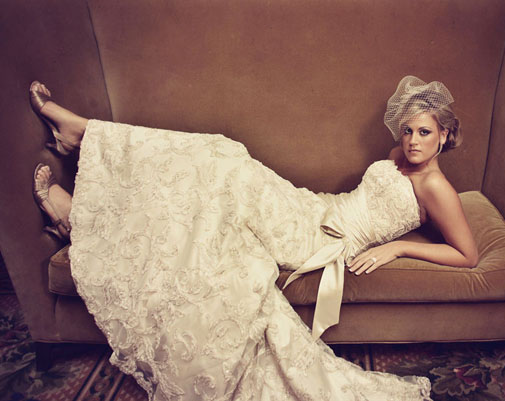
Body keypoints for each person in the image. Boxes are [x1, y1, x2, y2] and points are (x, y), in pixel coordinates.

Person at [30, 75, 476, 400]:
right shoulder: (399, 157)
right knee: (214, 169)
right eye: (408, 130)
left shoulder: (436, 188)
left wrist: (397, 246)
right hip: (314, 206)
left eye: (425, 132)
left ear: (444, 135)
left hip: (319, 237)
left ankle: (84, 147)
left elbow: (467, 254)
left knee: (221, 157)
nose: (412, 141)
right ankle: (85, 192)